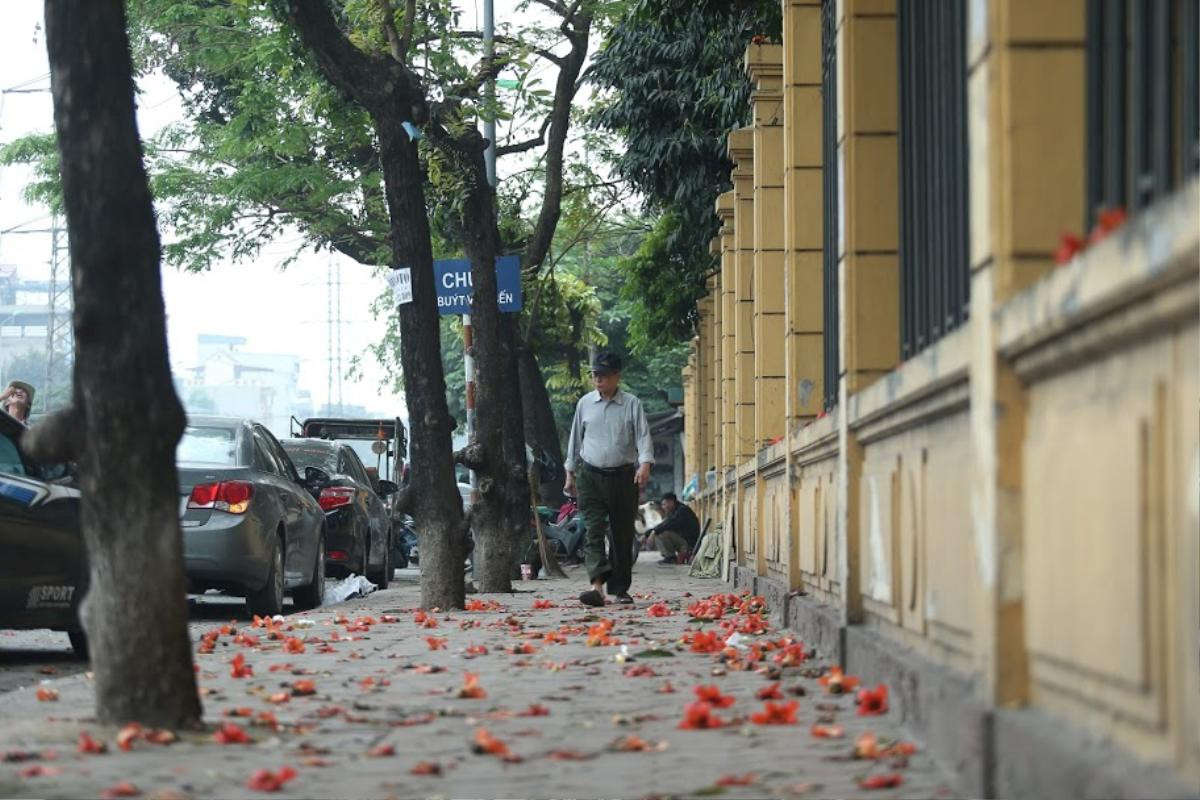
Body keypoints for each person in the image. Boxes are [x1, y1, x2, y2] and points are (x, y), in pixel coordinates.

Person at [563, 352, 654, 607]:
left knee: (622, 535)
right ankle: (597, 588)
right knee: (592, 531)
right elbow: (575, 440)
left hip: (624, 477)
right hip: (590, 476)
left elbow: (643, 437)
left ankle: (620, 589)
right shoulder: (584, 404)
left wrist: (645, 464)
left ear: (617, 376)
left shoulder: (632, 404)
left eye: (603, 375)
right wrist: (569, 472)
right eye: (594, 375)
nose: (598, 379)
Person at [647, 492, 700, 565]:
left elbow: (669, 524)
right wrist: (647, 533)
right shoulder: (674, 511)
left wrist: (654, 532)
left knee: (662, 534)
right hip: (683, 541)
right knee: (659, 531)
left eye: (664, 504)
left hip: (688, 545)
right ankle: (669, 557)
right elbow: (664, 524)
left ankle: (670, 558)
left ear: (671, 502)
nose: (663, 507)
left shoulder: (682, 510)